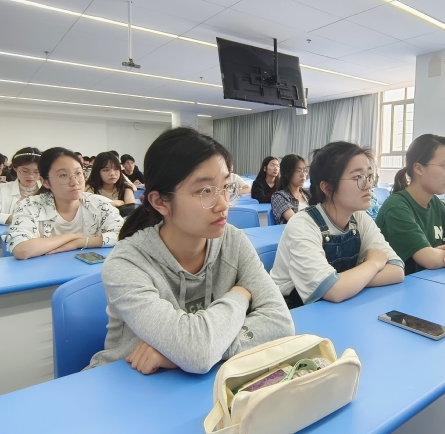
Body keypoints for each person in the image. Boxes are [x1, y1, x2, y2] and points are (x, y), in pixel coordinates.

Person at [87, 127, 294, 375]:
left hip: (201, 385)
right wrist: (239, 295)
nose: (223, 205)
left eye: (226, 187)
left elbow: (281, 323)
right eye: (205, 191)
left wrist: (191, 352)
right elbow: (197, 352)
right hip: (126, 383)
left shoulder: (234, 241)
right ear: (160, 202)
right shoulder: (126, 263)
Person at [270, 142, 404, 309]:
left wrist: (347, 283)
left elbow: (396, 270)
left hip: (339, 307)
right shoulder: (302, 225)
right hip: (293, 311)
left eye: (369, 176)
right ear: (327, 187)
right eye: (358, 177)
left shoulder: (360, 218)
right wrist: (373, 264)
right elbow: (333, 290)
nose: (369, 185)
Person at [376, 134, 445, 275]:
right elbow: (431, 260)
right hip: (405, 286)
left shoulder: (436, 204)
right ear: (419, 168)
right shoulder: (396, 207)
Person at [4, 147, 124, 260]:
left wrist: (80, 242)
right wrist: (71, 237)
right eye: (63, 175)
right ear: (45, 182)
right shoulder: (30, 206)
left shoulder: (99, 204)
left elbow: (124, 235)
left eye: (78, 173)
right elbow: (22, 250)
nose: (75, 182)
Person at [0, 148, 42, 225]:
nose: (31, 176)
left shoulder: (49, 189)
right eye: (25, 171)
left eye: (37, 172)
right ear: (15, 168)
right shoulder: (0, 189)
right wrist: (14, 218)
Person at [271, 154, 311, 224]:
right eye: (298, 171)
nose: (303, 175)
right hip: (296, 230)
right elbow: (295, 221)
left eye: (305, 170)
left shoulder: (308, 195)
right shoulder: (279, 197)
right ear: (286, 173)